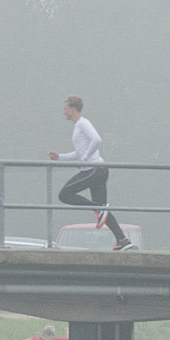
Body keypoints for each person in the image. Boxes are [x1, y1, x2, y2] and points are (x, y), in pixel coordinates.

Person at [49, 94, 132, 250]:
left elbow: (97, 140)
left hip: (95, 169)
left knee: (64, 194)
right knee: (103, 211)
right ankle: (121, 239)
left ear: (73, 109)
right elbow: (78, 153)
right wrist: (59, 157)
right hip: (97, 170)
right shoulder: (77, 127)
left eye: (65, 109)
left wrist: (86, 158)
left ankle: (98, 208)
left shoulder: (83, 123)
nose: (63, 112)